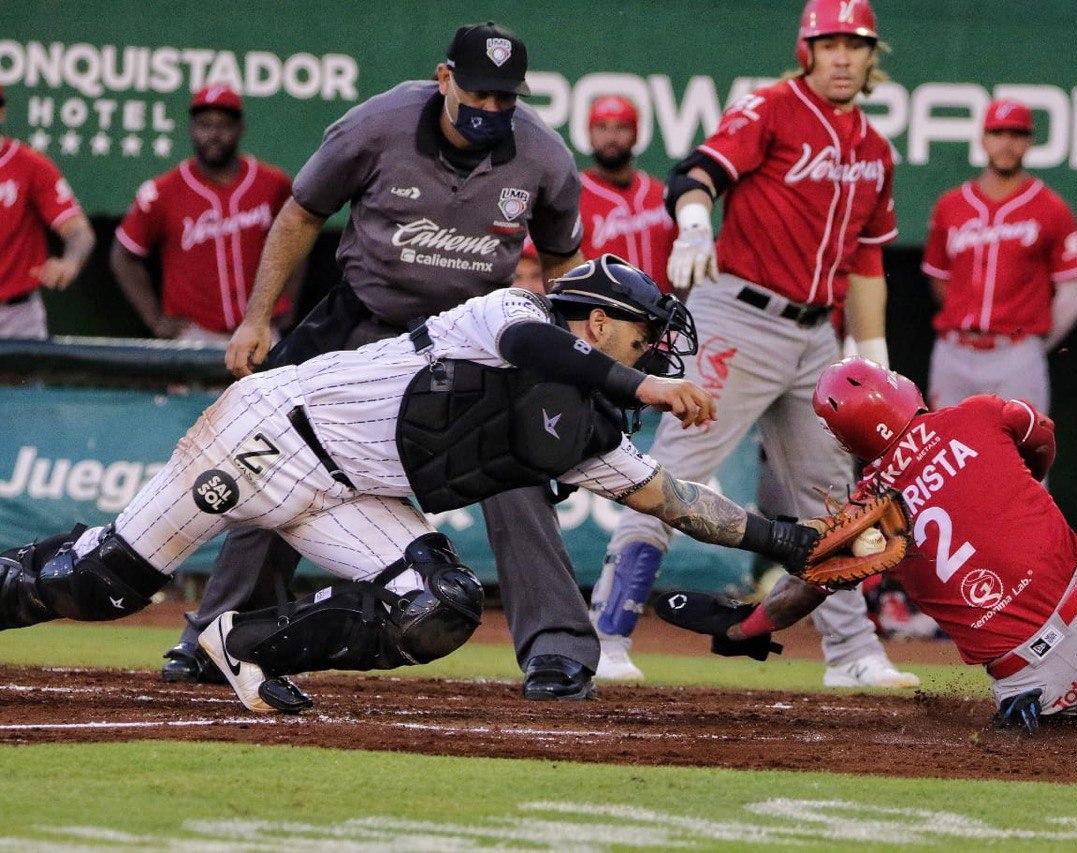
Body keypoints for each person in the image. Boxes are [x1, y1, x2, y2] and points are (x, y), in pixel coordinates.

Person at [0, 257, 840, 717]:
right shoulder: (511, 314)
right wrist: (646, 390)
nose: (658, 351)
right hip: (271, 434)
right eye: (646, 334)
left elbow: (675, 500)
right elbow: (541, 353)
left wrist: (791, 541)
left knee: (437, 604)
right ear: (596, 322)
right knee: (105, 584)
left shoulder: (588, 425)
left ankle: (244, 642)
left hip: (348, 496)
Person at [159, 22, 600, 701]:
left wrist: (574, 355)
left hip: (472, 337)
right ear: (445, 78)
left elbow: (568, 261)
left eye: (504, 100)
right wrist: (256, 318)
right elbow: (303, 213)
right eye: (478, 95)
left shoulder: (543, 156)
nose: (490, 111)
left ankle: (558, 652)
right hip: (365, 320)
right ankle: (217, 629)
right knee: (280, 461)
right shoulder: (376, 125)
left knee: (519, 468)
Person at [657, 357, 1077, 728]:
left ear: (849, 441)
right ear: (899, 391)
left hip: (1035, 679)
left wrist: (743, 630)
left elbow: (804, 591)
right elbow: (1043, 436)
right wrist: (1018, 480)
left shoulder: (869, 510)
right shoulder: (977, 415)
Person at [590, 0, 915, 688]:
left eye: (854, 46)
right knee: (669, 472)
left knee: (835, 501)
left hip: (817, 337)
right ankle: (605, 634)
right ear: (807, 50)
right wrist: (694, 222)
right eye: (828, 44)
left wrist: (873, 348)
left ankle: (852, 652)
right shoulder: (772, 106)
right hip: (740, 310)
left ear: (870, 56)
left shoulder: (876, 149)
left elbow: (867, 262)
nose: (841, 57)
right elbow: (697, 170)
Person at [921, 98, 1077, 412]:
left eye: (1016, 135)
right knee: (946, 455)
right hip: (954, 350)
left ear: (1029, 142)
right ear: (983, 139)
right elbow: (939, 280)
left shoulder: (1051, 207)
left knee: (1018, 456)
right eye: (998, 134)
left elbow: (1075, 294)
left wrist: (1032, 343)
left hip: (1016, 352)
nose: (1006, 144)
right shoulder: (951, 205)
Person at [111, 87, 298, 344]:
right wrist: (154, 319)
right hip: (195, 333)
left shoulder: (273, 183)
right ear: (191, 128)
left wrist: (288, 300)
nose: (214, 134)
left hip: (259, 328)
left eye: (224, 125)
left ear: (240, 127)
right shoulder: (162, 191)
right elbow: (123, 255)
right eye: (204, 124)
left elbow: (297, 239)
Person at [0, 84, 95, 339]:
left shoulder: (29, 165)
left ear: (1, 113)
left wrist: (70, 262)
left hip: (15, 316)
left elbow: (78, 230)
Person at [578, 95, 674, 288]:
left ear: (636, 134)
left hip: (660, 313)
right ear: (589, 134)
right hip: (600, 313)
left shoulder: (660, 194)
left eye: (621, 127)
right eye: (601, 127)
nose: (611, 138)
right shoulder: (571, 196)